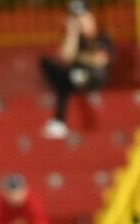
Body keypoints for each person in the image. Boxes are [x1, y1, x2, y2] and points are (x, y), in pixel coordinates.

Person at [38, 0, 111, 139]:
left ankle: (59, 121)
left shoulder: (101, 36)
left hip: (94, 77)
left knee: (69, 77)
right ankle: (59, 122)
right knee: (51, 67)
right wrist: (73, 32)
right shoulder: (78, 38)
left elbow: (100, 60)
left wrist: (77, 57)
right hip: (74, 77)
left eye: (83, 16)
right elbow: (65, 55)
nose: (80, 20)